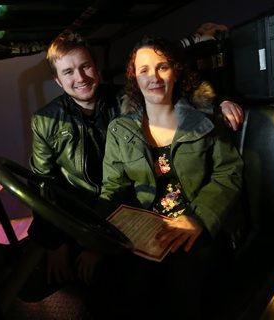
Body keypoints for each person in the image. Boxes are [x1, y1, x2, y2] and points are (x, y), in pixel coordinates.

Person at [26, 29, 244, 295]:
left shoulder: (125, 99)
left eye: (85, 67)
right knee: (40, 279)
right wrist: (55, 243)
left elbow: (173, 89)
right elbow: (42, 183)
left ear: (97, 68)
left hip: (130, 210)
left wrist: (219, 102)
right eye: (68, 72)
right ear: (58, 81)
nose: (80, 77)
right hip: (86, 214)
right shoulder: (46, 121)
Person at [96, 34, 245, 319]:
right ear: (135, 79)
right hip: (145, 230)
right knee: (125, 282)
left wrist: (198, 219)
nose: (154, 77)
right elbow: (112, 187)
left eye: (162, 66)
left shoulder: (205, 122)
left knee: (181, 284)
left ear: (176, 71)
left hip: (196, 225)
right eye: (144, 70)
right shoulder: (120, 130)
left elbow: (229, 173)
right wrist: (99, 239)